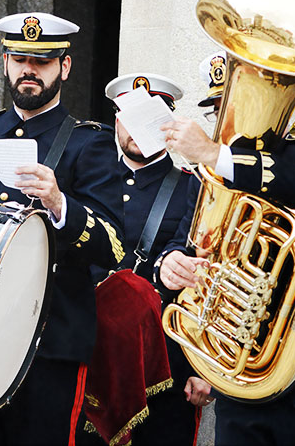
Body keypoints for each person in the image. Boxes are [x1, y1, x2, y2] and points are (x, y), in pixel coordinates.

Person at [157, 51, 295, 445]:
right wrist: (171, 263)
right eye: (219, 109)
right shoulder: (206, 176)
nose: (228, 119)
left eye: (236, 105)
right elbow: (184, 240)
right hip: (244, 374)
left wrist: (215, 154)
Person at [0, 12, 125, 445]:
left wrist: (59, 202)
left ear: (64, 67)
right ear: (6, 63)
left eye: (42, 61)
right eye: (19, 58)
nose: (28, 70)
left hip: (50, 341)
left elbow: (115, 247)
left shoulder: (92, 142)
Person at [78, 73, 210, 446]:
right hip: (88, 349)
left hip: (164, 361)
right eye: (129, 116)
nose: (137, 129)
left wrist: (205, 368)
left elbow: (207, 275)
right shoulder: (86, 180)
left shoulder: (194, 187)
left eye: (150, 117)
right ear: (116, 120)